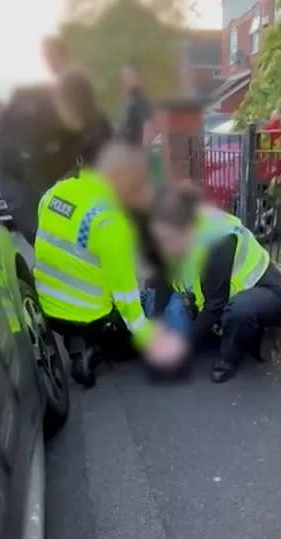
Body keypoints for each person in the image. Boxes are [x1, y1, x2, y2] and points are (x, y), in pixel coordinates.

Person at [33, 141, 186, 387]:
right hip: (92, 316)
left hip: (49, 309)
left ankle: (79, 341)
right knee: (131, 338)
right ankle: (91, 352)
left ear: (81, 162)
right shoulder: (109, 221)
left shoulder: (52, 195)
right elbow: (127, 303)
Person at [149, 184, 281, 383]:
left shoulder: (218, 239)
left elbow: (215, 304)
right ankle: (215, 331)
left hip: (262, 290)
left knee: (239, 311)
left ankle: (229, 359)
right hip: (221, 295)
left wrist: (182, 351)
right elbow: (163, 279)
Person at [0, 37, 111, 244]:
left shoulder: (92, 121)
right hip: (15, 173)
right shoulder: (36, 125)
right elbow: (42, 183)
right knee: (45, 235)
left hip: (49, 167)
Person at [117, 63, 153, 147]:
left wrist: (144, 152)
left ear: (137, 78)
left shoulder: (139, 101)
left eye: (129, 76)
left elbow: (148, 126)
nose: (126, 79)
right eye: (124, 77)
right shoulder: (128, 100)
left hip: (133, 152)